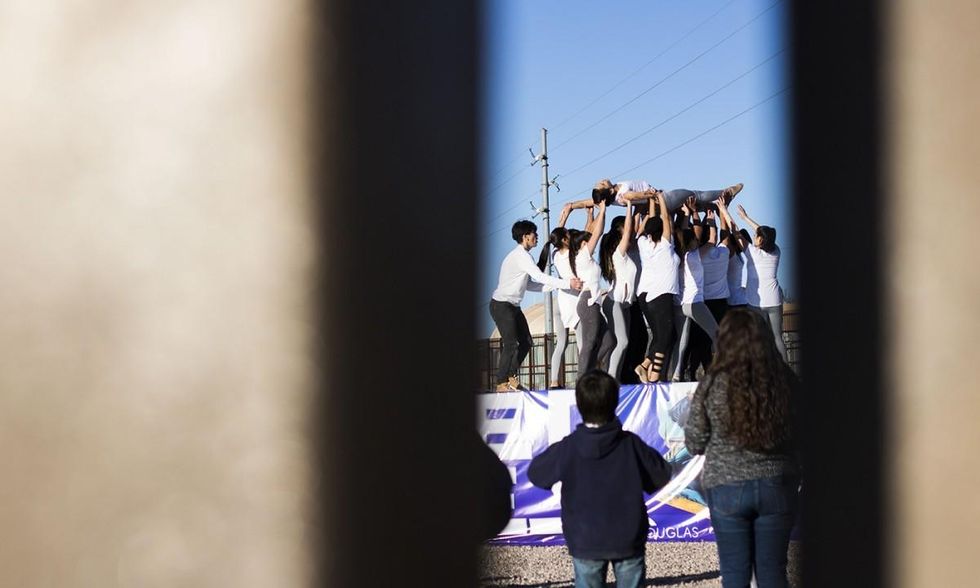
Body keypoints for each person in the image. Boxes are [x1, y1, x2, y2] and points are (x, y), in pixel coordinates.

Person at [684, 308, 800, 588]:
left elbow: (695, 441)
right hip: (777, 482)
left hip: (726, 485)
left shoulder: (712, 383)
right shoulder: (785, 380)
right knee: (773, 573)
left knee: (735, 574)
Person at [528, 370, 672, 588]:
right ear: (615, 402)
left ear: (579, 404)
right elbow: (661, 474)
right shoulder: (631, 444)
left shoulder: (569, 447)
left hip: (584, 537)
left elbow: (537, 474)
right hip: (628, 537)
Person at [490, 220, 583, 392]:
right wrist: (567, 283)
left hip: (513, 306)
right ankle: (501, 382)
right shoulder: (521, 256)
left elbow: (530, 285)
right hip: (501, 305)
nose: (537, 236)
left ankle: (510, 377)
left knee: (526, 342)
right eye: (534, 233)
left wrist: (559, 285)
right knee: (511, 343)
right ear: (525, 237)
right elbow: (540, 277)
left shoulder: (524, 257)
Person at [669, 200, 719, 382]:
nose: (698, 240)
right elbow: (711, 239)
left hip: (679, 304)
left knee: (681, 341)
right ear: (692, 241)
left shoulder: (679, 255)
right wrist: (706, 218)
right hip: (694, 302)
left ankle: (675, 376)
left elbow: (688, 235)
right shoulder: (693, 255)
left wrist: (688, 214)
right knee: (717, 335)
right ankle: (720, 373)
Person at [634, 191, 679, 383]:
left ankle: (649, 370)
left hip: (645, 295)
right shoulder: (665, 246)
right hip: (662, 294)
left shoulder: (642, 243)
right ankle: (649, 370)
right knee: (665, 336)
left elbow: (653, 222)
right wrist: (661, 198)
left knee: (661, 336)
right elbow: (665, 219)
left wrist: (652, 202)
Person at [734, 204, 787, 361]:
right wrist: (746, 218)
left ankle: (760, 370)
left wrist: (724, 211)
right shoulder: (776, 252)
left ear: (761, 240)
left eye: (756, 235)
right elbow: (765, 234)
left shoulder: (752, 252)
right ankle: (785, 370)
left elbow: (736, 233)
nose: (753, 235)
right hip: (774, 299)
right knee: (777, 337)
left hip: (756, 302)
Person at [538, 204, 582, 389]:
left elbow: (556, 237)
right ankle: (583, 379)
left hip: (560, 301)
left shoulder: (555, 254)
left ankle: (554, 381)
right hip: (573, 302)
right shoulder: (573, 253)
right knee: (582, 344)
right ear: (565, 239)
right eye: (568, 235)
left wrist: (563, 220)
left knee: (561, 344)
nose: (571, 236)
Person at [597, 201, 638, 381]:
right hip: (614, 302)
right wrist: (629, 205)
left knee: (622, 344)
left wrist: (638, 210)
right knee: (622, 342)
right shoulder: (618, 255)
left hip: (623, 303)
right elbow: (628, 230)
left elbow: (633, 230)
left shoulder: (624, 255)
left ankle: (616, 378)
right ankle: (611, 378)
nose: (630, 233)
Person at [570, 201, 608, 379]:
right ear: (584, 244)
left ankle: (591, 370)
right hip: (588, 302)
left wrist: (590, 215)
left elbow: (590, 231)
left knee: (609, 341)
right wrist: (603, 210)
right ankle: (581, 379)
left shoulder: (583, 256)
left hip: (592, 302)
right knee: (589, 343)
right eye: (588, 241)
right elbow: (597, 233)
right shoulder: (582, 256)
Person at [566, 179, 744, 213]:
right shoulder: (621, 196)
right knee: (695, 194)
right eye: (601, 184)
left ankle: (718, 207)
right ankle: (727, 192)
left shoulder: (613, 196)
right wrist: (647, 193)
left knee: (695, 205)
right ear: (608, 190)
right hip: (663, 200)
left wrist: (572, 205)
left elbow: (589, 202)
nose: (601, 181)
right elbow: (632, 196)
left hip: (660, 205)